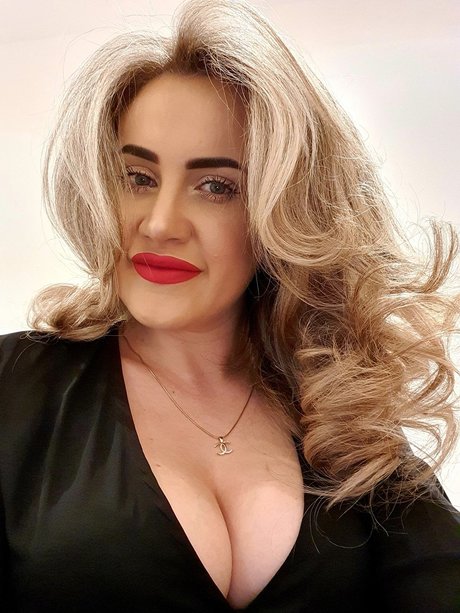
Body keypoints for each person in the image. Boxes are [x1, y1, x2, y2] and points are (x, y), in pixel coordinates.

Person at [1, 0, 459, 610]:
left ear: (285, 211)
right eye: (139, 178)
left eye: (216, 186)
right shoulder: (13, 389)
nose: (160, 223)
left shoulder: (346, 424)